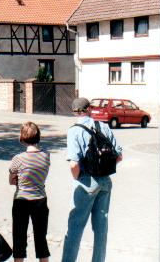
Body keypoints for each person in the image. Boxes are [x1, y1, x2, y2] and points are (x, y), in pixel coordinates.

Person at [61, 98, 123, 262]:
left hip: (85, 182)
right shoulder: (103, 126)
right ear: (89, 109)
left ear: (74, 112)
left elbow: (74, 164)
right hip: (105, 182)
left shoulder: (74, 130)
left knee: (75, 227)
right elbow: (119, 156)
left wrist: (78, 178)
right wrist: (104, 169)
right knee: (101, 228)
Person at [9, 122, 50, 262]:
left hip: (21, 200)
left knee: (19, 239)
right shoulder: (46, 156)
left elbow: (12, 180)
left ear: (22, 138)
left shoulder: (18, 159)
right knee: (41, 239)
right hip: (40, 199)